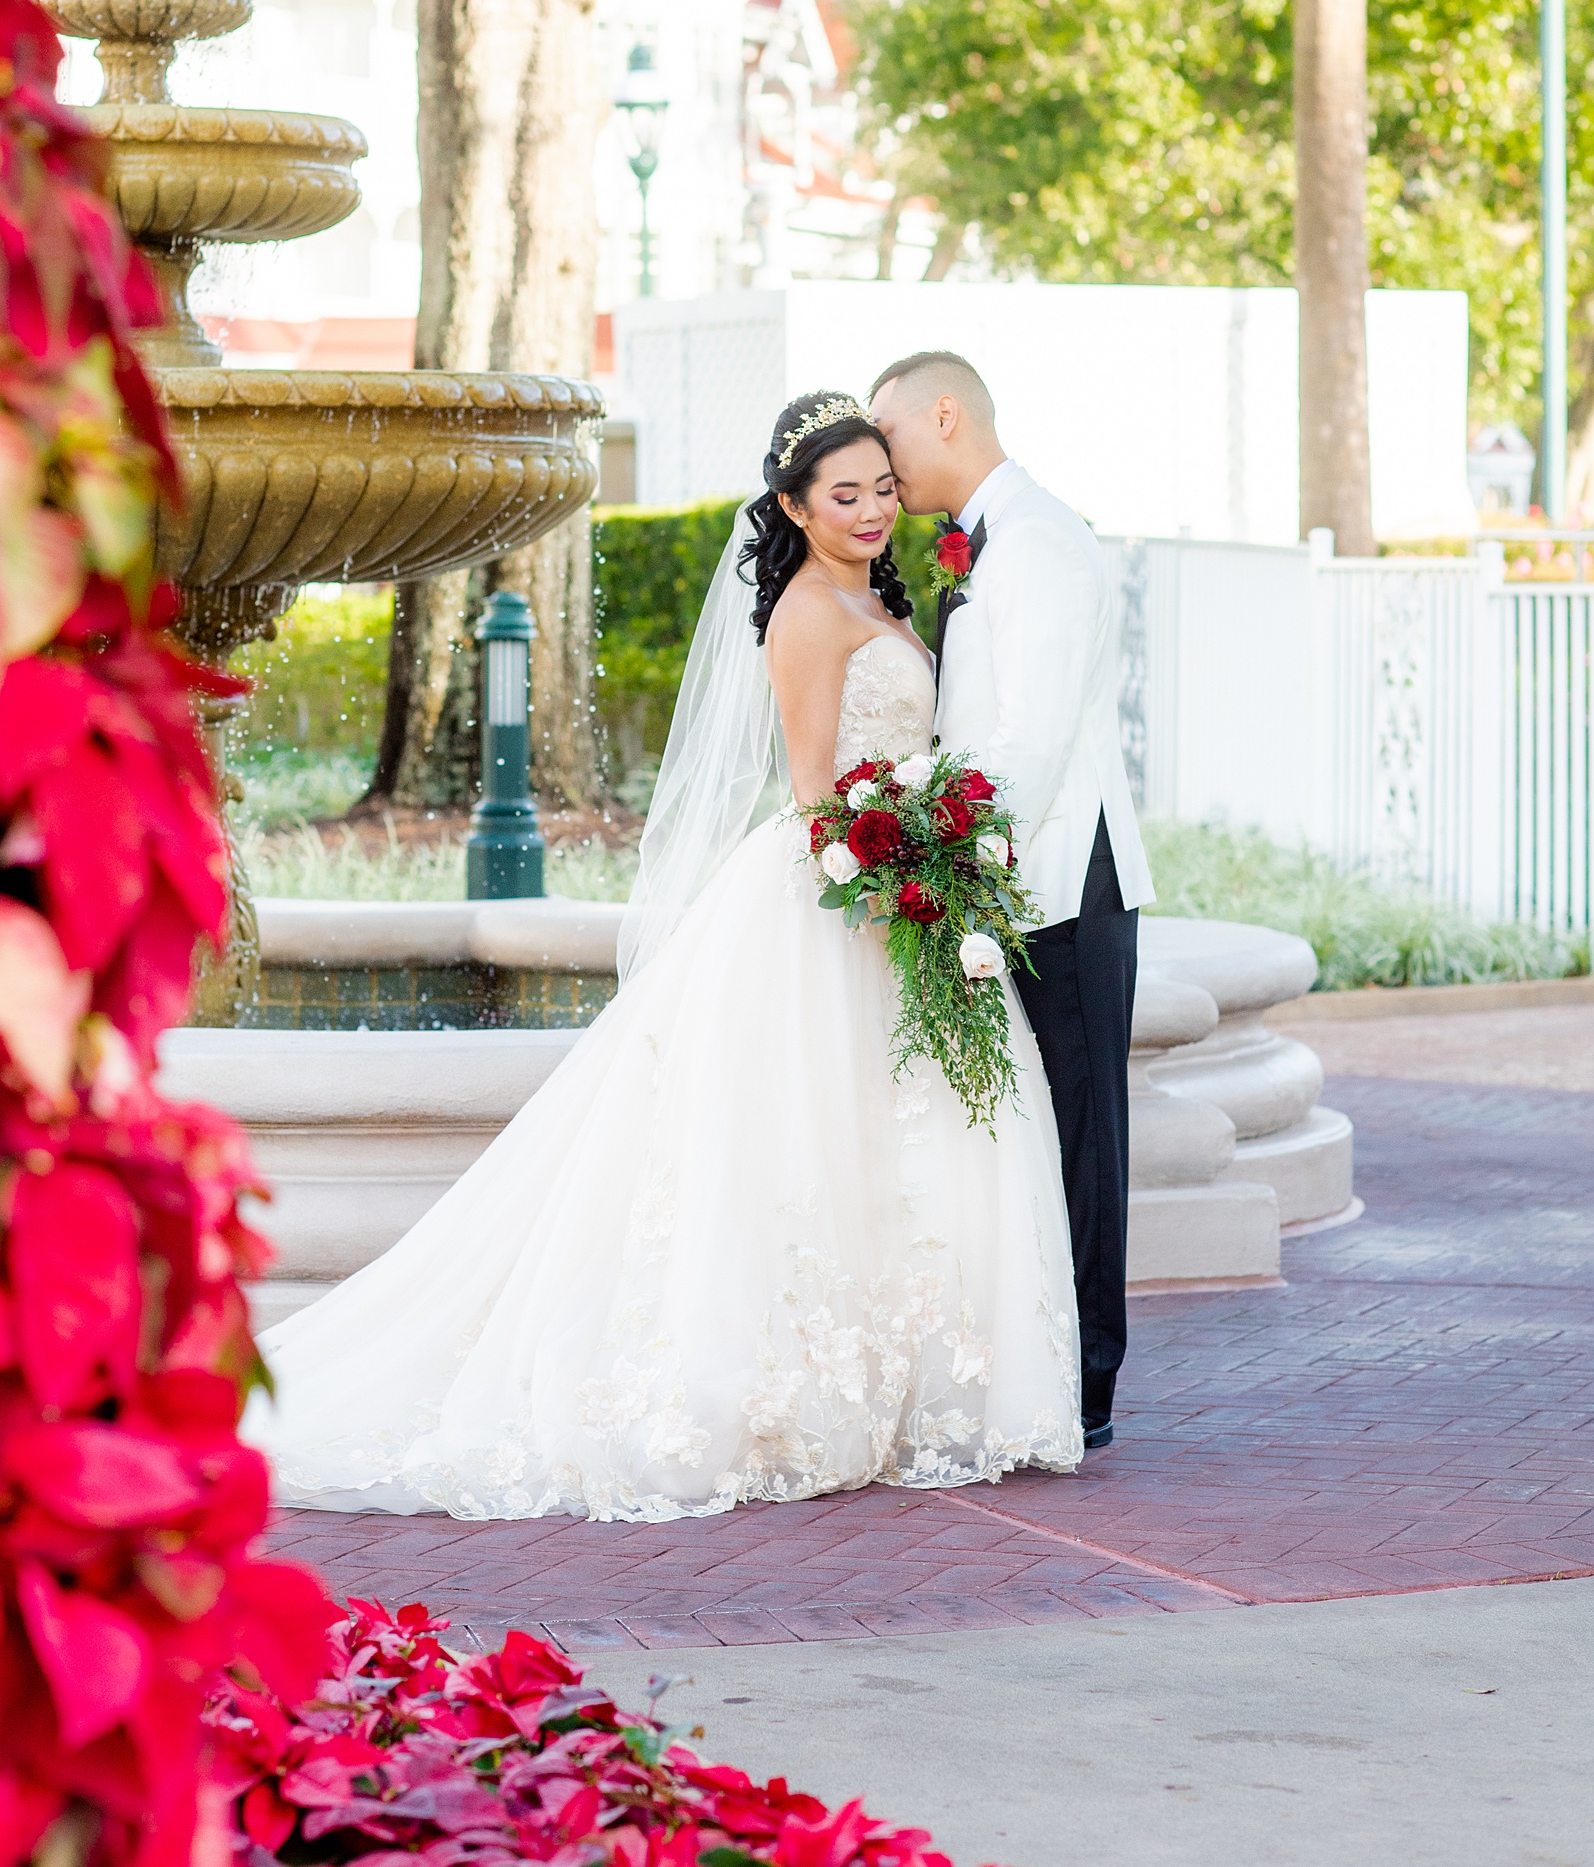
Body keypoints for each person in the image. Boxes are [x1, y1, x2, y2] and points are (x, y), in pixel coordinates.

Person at [246, 394, 1082, 1521]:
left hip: (899, 883)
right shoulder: (805, 614)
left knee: (903, 1133)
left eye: (884, 489)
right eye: (846, 495)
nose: (875, 510)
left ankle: (920, 1385)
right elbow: (811, 788)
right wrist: (899, 872)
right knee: (802, 1143)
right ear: (793, 505)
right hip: (839, 890)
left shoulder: (874, 595)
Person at [869, 352, 1153, 1451]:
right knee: (1029, 1134)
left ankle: (1085, 1380)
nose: (884, 465)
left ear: (945, 413)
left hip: (1060, 879)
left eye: (889, 435)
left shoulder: (1038, 541)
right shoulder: (982, 543)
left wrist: (951, 863)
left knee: (1084, 1137)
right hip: (1008, 877)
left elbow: (1026, 738)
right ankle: (1036, 1359)